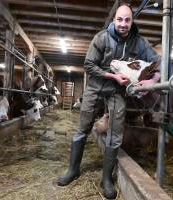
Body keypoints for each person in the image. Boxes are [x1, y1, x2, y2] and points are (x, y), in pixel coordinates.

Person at [58, 4, 161, 199]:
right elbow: (88, 64)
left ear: (132, 21)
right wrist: (112, 76)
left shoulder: (139, 43)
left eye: (127, 20)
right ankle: (73, 170)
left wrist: (152, 80)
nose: (123, 24)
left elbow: (159, 62)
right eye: (120, 20)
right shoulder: (101, 38)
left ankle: (106, 179)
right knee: (83, 127)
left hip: (118, 91)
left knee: (115, 132)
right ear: (114, 20)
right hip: (97, 86)